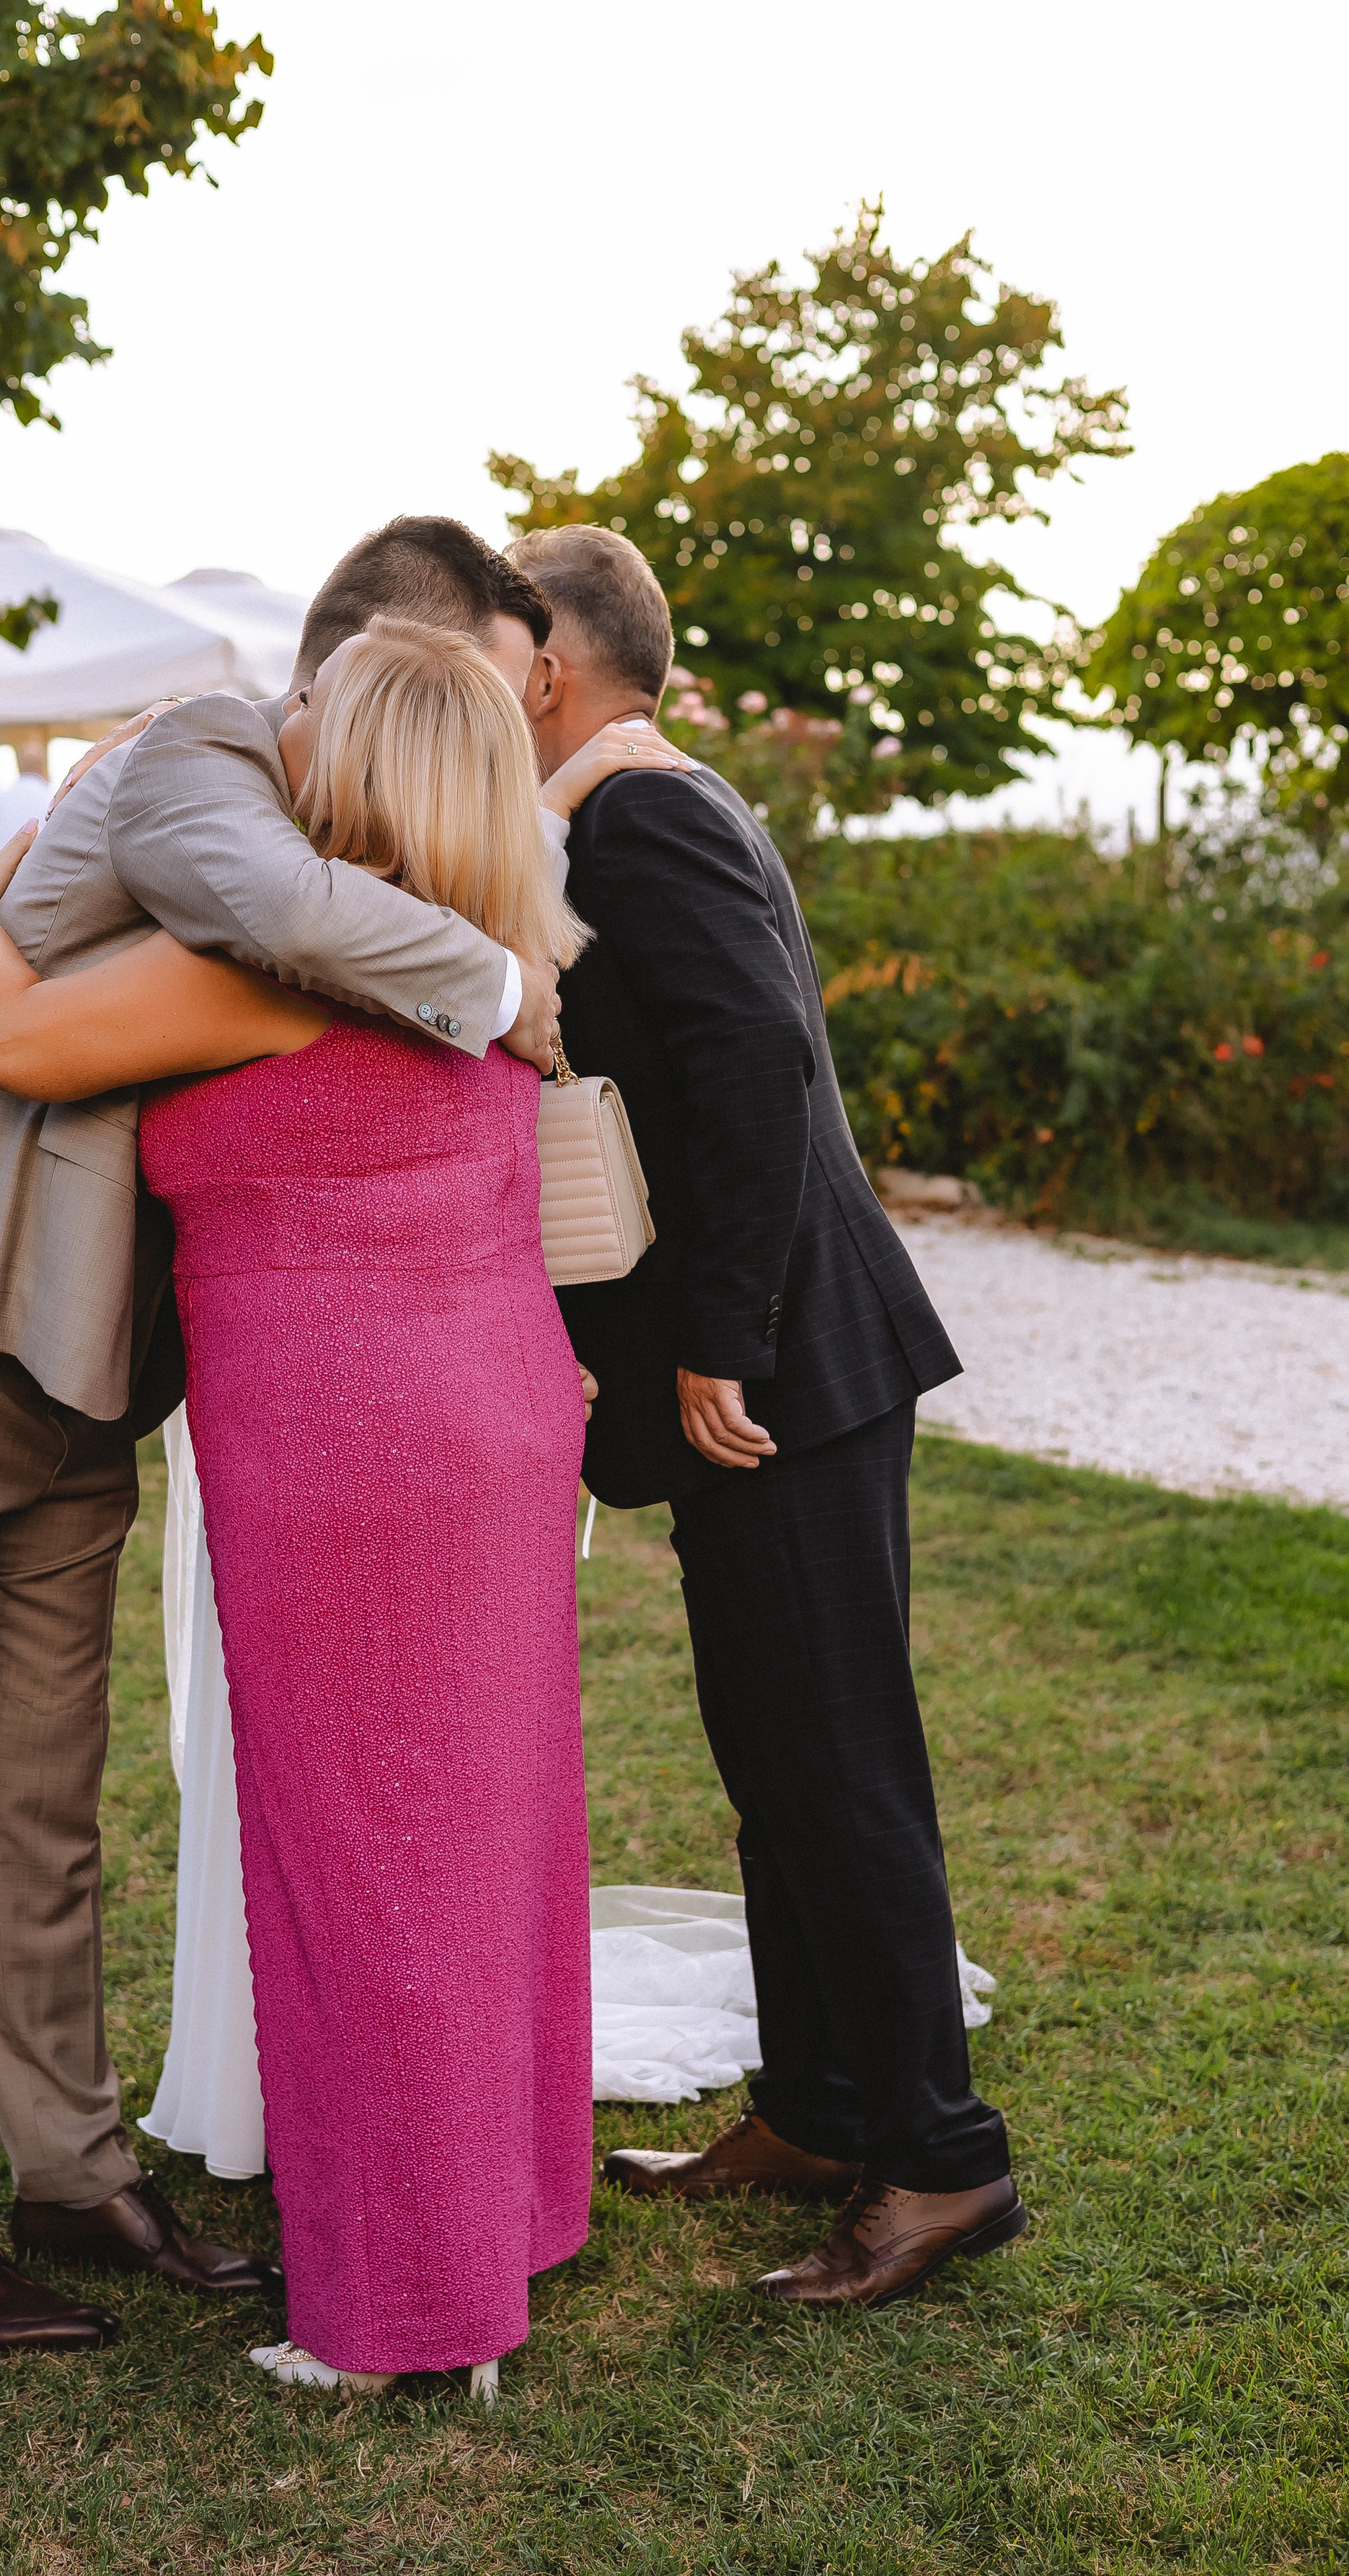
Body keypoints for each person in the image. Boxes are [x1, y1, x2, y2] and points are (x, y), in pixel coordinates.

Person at [0, 519, 570, 2352]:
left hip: (77, 1361)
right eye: (443, 694)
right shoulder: (199, 760)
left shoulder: (346, 877)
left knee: (44, 1794)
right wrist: (507, 979)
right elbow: (263, 928)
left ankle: (73, 2169)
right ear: (338, 677)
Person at [508, 524, 1025, 2311]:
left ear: (548, 667)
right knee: (770, 1754)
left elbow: (753, 1065)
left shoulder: (644, 813)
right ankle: (811, 2107)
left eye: (499, 653)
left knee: (837, 1762)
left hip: (783, 1372)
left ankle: (939, 2163)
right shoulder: (639, 805)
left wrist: (716, 1337)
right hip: (765, 1368)